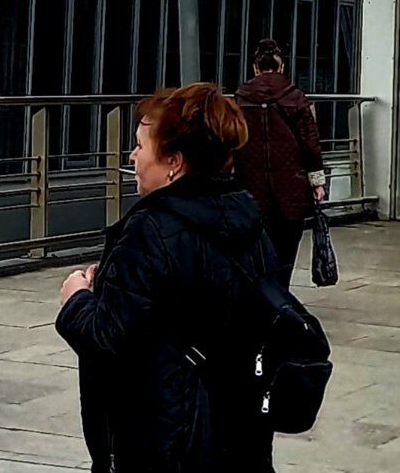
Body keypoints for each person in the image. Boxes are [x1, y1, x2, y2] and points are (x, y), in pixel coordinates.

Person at [55, 82, 276, 473]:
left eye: (140, 146)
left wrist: (77, 298)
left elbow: (108, 340)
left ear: (173, 161)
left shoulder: (150, 231)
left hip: (163, 437)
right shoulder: (249, 223)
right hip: (239, 435)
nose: (132, 156)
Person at [232, 38, 325, 284]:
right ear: (281, 67)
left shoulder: (239, 100)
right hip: (290, 190)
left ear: (255, 68)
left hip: (250, 189)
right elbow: (310, 143)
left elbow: (230, 142)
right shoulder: (295, 97)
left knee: (255, 251)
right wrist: (317, 181)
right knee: (286, 250)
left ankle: (260, 293)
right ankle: (280, 293)